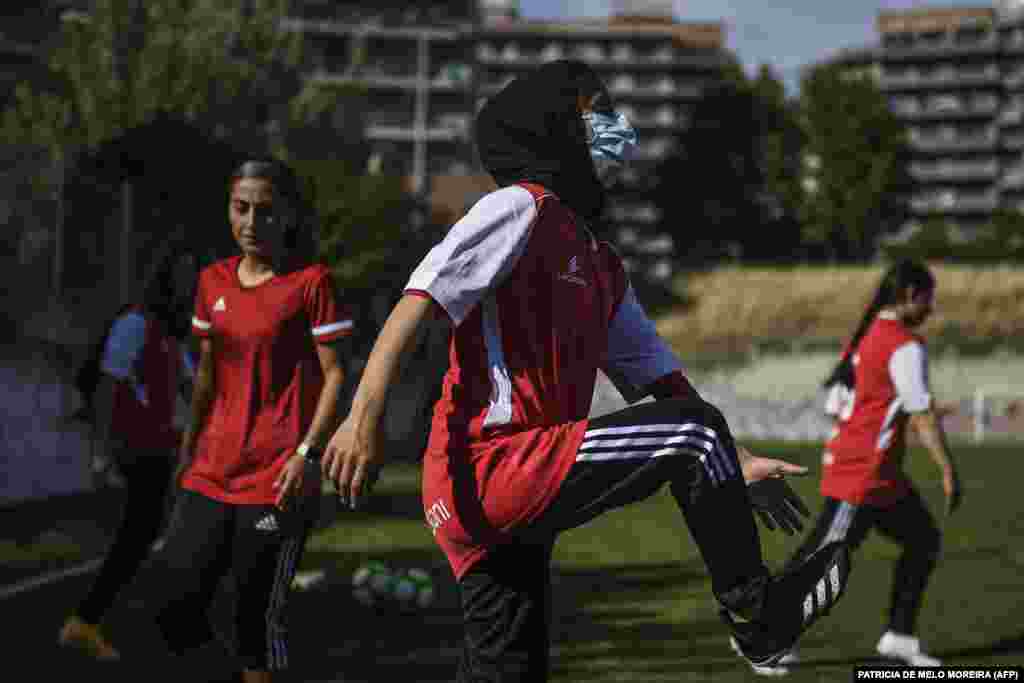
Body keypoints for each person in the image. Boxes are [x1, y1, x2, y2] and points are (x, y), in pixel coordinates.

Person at [321, 60, 851, 681]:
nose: (617, 127)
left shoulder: (600, 262)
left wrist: (734, 462)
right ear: (553, 127)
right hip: (488, 467)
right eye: (597, 111)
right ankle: (757, 618)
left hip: (511, 498)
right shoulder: (521, 208)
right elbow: (419, 302)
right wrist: (360, 418)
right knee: (695, 432)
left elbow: (660, 385)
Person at [151, 157, 352, 683]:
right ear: (228, 210)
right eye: (241, 209)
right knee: (172, 600)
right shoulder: (211, 281)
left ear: (287, 216)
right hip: (211, 470)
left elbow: (336, 376)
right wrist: (187, 449)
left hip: (275, 480)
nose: (251, 222)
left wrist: (308, 456)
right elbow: (207, 379)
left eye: (265, 211)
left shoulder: (312, 283)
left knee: (252, 624)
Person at [747, 259, 960, 674]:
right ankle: (762, 637)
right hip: (862, 474)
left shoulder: (865, 336)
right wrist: (948, 470)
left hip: (879, 475)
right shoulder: (904, 346)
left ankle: (899, 637)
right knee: (821, 560)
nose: (932, 308)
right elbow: (922, 414)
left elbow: (837, 403)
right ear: (911, 295)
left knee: (922, 540)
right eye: (929, 298)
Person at [58, 243, 195, 660]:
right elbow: (106, 388)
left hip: (159, 447)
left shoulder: (171, 337)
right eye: (182, 273)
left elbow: (195, 388)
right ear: (164, 278)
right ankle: (84, 622)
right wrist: (102, 452)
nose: (189, 283)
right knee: (139, 534)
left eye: (194, 275)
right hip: (135, 448)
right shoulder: (135, 324)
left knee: (146, 533)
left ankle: (95, 618)